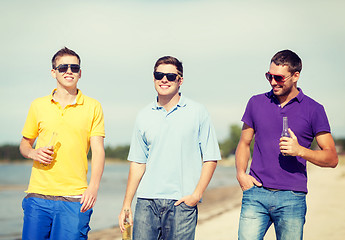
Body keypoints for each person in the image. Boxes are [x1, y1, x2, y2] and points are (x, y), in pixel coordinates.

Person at [235, 49, 338, 239]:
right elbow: (244, 142)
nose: (273, 82)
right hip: (255, 194)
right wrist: (241, 174)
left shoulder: (314, 109)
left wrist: (300, 151)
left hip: (292, 197)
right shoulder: (256, 102)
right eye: (269, 76)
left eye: (279, 78)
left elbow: (332, 158)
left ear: (296, 76)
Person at [118, 56, 221, 240]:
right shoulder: (143, 116)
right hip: (146, 203)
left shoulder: (198, 112)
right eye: (159, 75)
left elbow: (210, 157)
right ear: (154, 78)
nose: (164, 79)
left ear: (180, 80)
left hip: (182, 203)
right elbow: (138, 163)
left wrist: (196, 195)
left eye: (170, 76)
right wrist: (127, 204)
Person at [19, 47, 105, 239]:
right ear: (53, 72)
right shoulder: (37, 105)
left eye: (74, 68)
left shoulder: (93, 106)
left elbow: (98, 151)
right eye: (63, 67)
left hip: (75, 199)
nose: (69, 71)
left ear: (80, 73)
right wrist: (33, 153)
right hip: (38, 196)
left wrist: (93, 187)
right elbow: (24, 144)